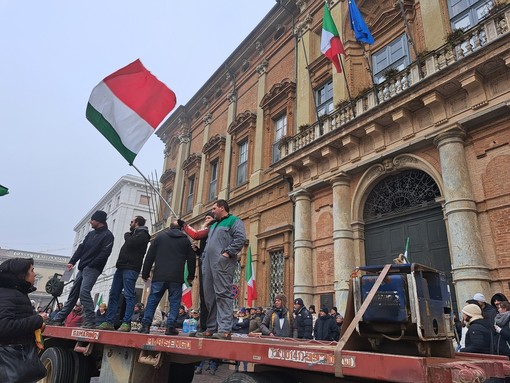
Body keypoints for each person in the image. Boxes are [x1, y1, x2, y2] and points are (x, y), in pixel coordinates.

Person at [47, 210, 114, 329]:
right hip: (82, 268)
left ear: (98, 221)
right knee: (73, 294)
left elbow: (105, 254)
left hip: (92, 268)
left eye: (92, 220)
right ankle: (58, 319)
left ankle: (90, 320)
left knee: (84, 292)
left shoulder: (108, 236)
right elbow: (81, 248)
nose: (90, 222)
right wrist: (72, 262)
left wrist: (91, 264)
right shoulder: (90, 234)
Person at [196, 199, 246, 340]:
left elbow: (240, 238)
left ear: (222, 208)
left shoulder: (234, 221)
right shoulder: (213, 225)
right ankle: (212, 328)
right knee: (209, 296)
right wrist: (204, 256)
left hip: (222, 264)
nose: (212, 211)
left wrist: (227, 253)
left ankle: (224, 329)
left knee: (222, 294)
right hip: (208, 265)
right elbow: (205, 243)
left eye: (214, 208)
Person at [138, 220, 196, 335]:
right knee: (174, 302)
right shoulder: (185, 240)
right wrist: (190, 276)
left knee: (153, 300)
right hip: (176, 276)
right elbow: (192, 259)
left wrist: (145, 273)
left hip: (159, 275)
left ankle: (145, 325)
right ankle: (170, 327)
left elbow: (150, 256)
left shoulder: (160, 238)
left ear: (169, 228)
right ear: (181, 229)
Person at [98, 215, 151, 332]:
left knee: (129, 295)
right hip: (121, 267)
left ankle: (126, 322)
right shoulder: (134, 234)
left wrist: (127, 235)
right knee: (113, 294)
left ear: (137, 223)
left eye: (132, 221)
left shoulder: (143, 235)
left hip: (131, 268)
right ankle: (109, 321)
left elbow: (131, 244)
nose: (130, 224)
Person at [0, 258, 47, 382]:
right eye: (32, 270)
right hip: (11, 360)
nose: (35, 274)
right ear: (21, 275)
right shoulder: (8, 294)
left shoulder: (15, 292)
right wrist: (38, 319)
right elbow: (4, 326)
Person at [181, 212, 216, 334]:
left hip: (211, 266)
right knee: (203, 295)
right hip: (204, 263)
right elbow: (204, 250)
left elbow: (195, 234)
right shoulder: (206, 230)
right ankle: (203, 326)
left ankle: (209, 326)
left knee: (209, 296)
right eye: (205, 218)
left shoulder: (211, 228)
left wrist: (184, 224)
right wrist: (197, 251)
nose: (206, 220)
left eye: (209, 218)